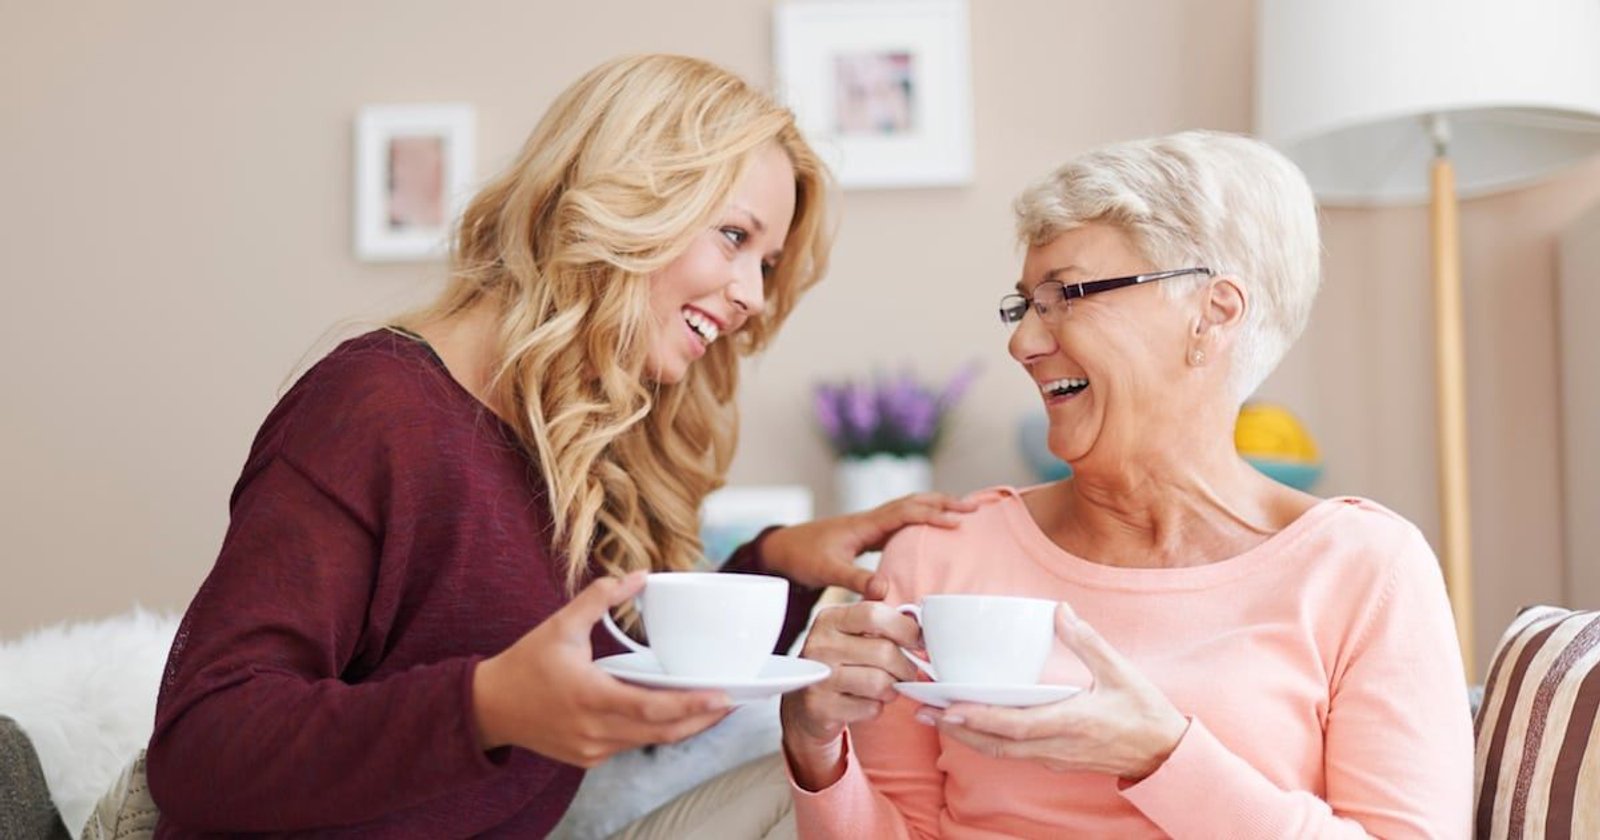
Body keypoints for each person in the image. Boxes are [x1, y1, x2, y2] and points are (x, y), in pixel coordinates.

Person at [144, 54, 974, 837]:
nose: (753, 296)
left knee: (797, 786)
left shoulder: (562, 439)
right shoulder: (374, 408)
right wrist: (485, 707)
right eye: (734, 236)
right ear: (630, 196)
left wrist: (781, 565)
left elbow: (605, 672)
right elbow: (199, 747)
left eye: (768, 262)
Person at [780, 130, 1474, 837]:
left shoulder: (1364, 570)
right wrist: (813, 748)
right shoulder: (938, 555)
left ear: (1214, 312)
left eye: (1068, 295)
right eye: (1025, 305)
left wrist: (1160, 754)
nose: (1023, 343)